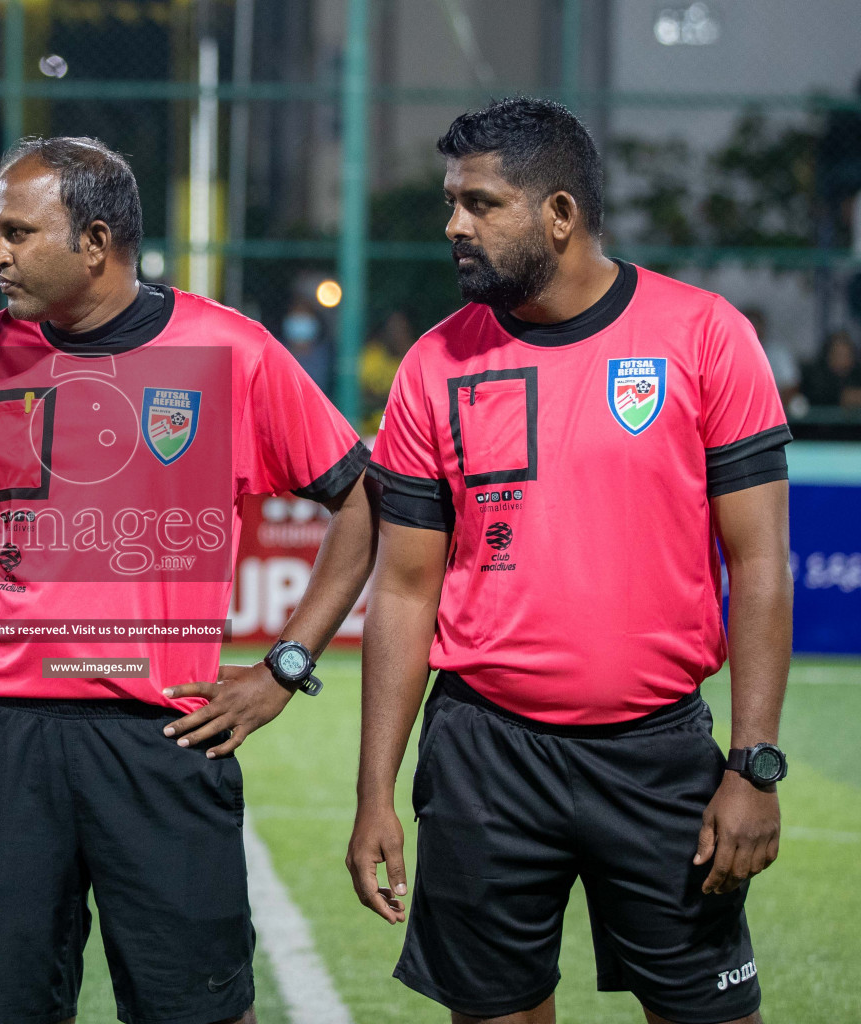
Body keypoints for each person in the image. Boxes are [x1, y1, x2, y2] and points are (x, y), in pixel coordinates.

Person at [0, 136, 376, 1024]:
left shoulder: (231, 351)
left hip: (163, 740)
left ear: (95, 241)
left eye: (16, 231)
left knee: (195, 1010)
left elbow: (361, 499)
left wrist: (285, 667)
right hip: (8, 743)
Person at [348, 98, 792, 1024]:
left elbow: (759, 565)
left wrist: (752, 765)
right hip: (484, 757)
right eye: (451, 203)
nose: (453, 226)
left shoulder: (705, 335)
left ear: (559, 213)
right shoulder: (433, 364)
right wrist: (374, 794)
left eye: (479, 203)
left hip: (658, 756)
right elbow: (402, 587)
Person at [798, 328, 861, 408]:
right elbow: (816, 397)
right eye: (838, 354)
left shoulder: (857, 373)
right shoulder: (815, 376)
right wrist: (842, 397)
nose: (842, 360)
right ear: (828, 356)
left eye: (847, 355)